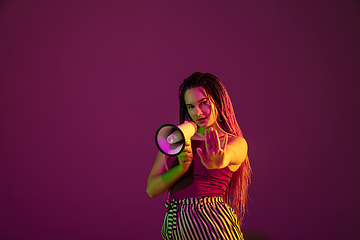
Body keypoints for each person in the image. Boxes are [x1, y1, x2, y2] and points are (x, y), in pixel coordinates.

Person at [147, 72, 251, 240]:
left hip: (212, 224)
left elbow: (230, 154)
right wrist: (182, 168)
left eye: (204, 103)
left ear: (218, 101)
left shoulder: (234, 142)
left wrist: (219, 160)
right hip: (174, 223)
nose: (198, 112)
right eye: (191, 106)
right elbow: (151, 189)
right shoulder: (174, 141)